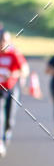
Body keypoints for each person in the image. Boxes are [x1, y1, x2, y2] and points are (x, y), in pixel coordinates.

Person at [0, 27, 29, 157]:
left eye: (5, 41)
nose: (3, 43)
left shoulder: (14, 54)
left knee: (9, 118)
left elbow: (25, 70)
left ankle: (6, 136)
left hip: (11, 88)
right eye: (1, 41)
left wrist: (12, 73)